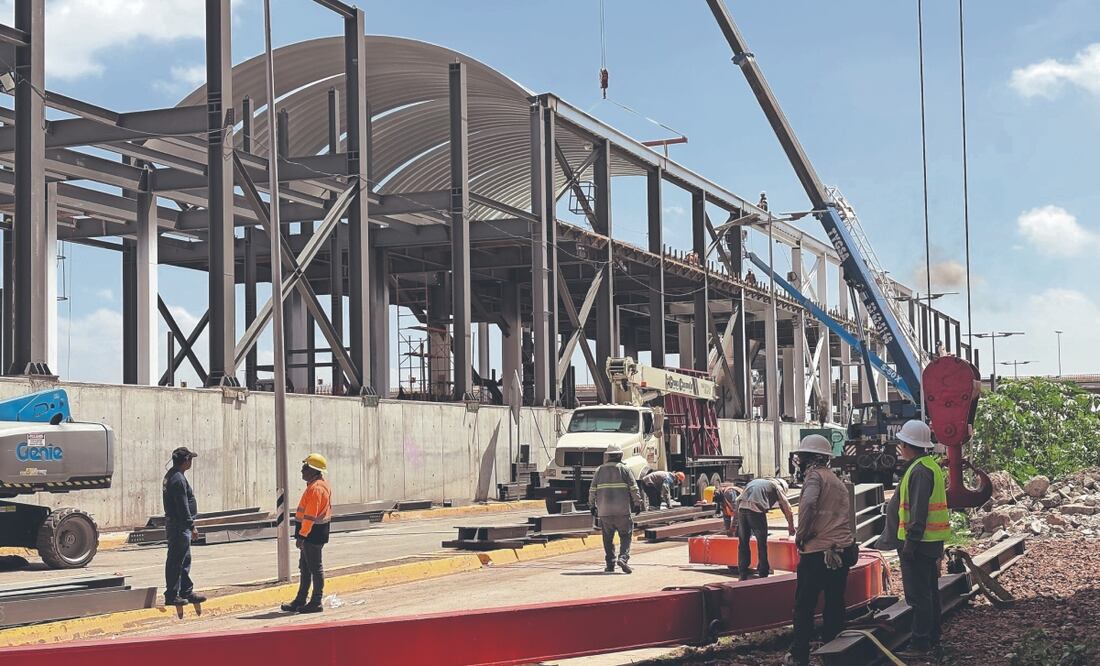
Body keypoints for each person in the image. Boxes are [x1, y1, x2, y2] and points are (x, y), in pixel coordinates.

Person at [785, 435, 855, 666]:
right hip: (841, 550)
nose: (799, 461)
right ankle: (834, 655)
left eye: (801, 456)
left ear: (809, 458)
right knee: (835, 604)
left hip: (817, 553)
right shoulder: (837, 481)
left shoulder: (814, 477)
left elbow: (807, 504)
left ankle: (799, 655)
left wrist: (801, 534)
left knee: (804, 606)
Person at [889, 419, 949, 659]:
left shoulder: (920, 471)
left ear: (907, 445)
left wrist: (910, 545)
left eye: (901, 443)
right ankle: (932, 635)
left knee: (919, 596)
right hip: (928, 542)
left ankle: (920, 643)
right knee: (929, 592)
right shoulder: (928, 466)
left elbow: (918, 512)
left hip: (919, 544)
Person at [282, 453, 333, 614]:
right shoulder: (315, 485)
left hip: (312, 534)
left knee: (314, 568)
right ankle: (301, 599)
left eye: (305, 467)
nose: (302, 470)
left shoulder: (316, 489)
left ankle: (316, 601)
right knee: (305, 567)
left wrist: (302, 536)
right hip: (312, 533)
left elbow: (310, 516)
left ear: (314, 470)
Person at [588, 444, 643, 574]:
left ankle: (610, 564)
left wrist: (592, 506)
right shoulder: (625, 469)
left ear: (608, 455)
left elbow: (592, 490)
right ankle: (623, 558)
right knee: (625, 535)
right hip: (622, 511)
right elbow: (634, 489)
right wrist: (638, 503)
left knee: (607, 539)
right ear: (620, 455)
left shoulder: (599, 470)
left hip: (604, 512)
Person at [162, 447, 206, 606]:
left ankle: (186, 591)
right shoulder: (178, 479)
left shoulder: (172, 476)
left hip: (178, 525)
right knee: (176, 560)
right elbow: (182, 505)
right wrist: (191, 525)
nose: (191, 462)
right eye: (190, 459)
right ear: (186, 460)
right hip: (179, 526)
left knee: (184, 558)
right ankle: (171, 594)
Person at [737, 476, 795, 580]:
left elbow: (738, 502)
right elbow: (787, 507)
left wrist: (734, 524)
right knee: (761, 543)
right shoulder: (777, 486)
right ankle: (763, 572)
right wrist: (791, 526)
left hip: (741, 509)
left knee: (743, 543)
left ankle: (742, 573)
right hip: (756, 511)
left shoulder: (755, 482)